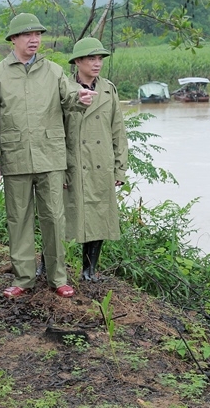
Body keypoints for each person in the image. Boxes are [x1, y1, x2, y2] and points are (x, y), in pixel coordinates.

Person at [0, 13, 96, 299]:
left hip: (50, 156)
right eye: (28, 35)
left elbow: (69, 98)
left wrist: (80, 98)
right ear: (14, 39)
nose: (34, 40)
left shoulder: (53, 71)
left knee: (54, 217)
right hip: (16, 157)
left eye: (38, 35)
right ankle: (23, 278)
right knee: (18, 218)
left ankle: (58, 277)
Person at [64, 38, 128, 282]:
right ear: (78, 61)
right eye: (91, 58)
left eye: (100, 58)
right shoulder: (65, 89)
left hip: (102, 163)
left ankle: (89, 271)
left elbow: (118, 131)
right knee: (64, 217)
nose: (97, 63)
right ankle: (48, 267)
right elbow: (57, 131)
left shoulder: (109, 89)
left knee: (100, 216)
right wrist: (60, 170)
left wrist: (120, 169)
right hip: (74, 163)